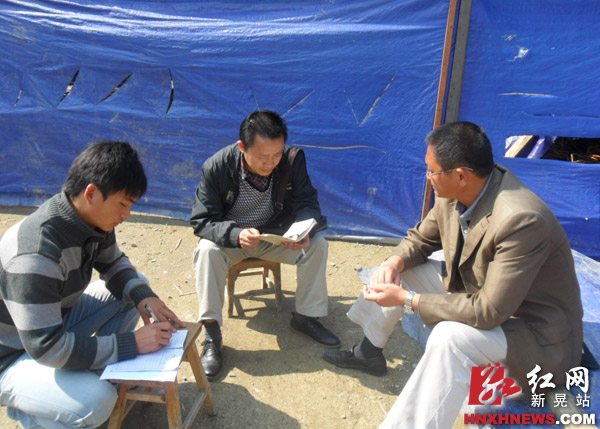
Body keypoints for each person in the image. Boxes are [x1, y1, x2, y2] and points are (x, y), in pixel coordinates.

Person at [322, 121, 583, 428]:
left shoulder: (521, 219)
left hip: (533, 337)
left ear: (460, 176)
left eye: (431, 171)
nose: (427, 177)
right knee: (399, 272)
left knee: (449, 338)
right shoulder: (459, 192)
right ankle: (368, 353)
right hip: (483, 298)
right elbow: (420, 239)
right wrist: (393, 263)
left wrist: (408, 300)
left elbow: (488, 311)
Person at [0, 141, 186, 428]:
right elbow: (47, 348)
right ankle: (32, 411)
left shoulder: (91, 222)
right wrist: (131, 344)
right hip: (11, 354)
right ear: (91, 193)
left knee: (135, 287)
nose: (127, 214)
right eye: (123, 204)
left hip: (50, 326)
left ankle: (98, 374)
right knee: (96, 402)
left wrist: (144, 296)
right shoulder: (36, 254)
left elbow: (113, 263)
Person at [190, 110, 340, 380]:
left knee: (317, 244)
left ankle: (306, 317)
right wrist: (235, 234)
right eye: (262, 156)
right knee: (206, 250)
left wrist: (304, 229)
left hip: (274, 235)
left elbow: (307, 202)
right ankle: (212, 334)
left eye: (276, 155)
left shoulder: (292, 160)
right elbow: (202, 221)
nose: (270, 163)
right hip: (233, 240)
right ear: (242, 147)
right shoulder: (217, 166)